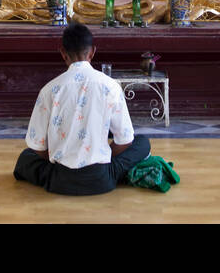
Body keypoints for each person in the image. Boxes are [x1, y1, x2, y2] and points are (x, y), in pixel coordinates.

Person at [13, 23, 150, 195]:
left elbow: (37, 145)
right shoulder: (110, 86)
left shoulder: (49, 89)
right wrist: (104, 155)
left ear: (63, 53)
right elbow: (125, 139)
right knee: (142, 143)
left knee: (26, 157)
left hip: (59, 180)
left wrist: (59, 157)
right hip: (101, 179)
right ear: (92, 51)